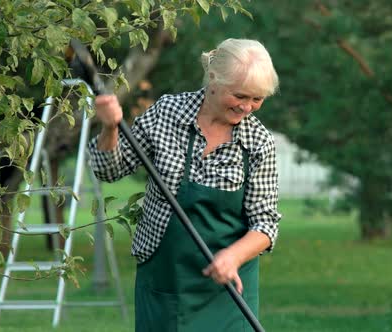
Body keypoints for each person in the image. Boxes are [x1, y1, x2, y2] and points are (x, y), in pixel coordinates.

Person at [88, 38, 281, 331]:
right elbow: (108, 170)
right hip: (166, 281)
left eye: (257, 99)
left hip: (227, 289)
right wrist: (110, 127)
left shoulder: (258, 142)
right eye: (240, 95)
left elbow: (266, 224)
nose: (247, 107)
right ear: (214, 78)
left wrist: (232, 256)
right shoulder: (167, 113)